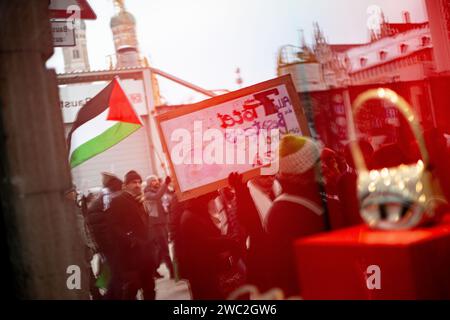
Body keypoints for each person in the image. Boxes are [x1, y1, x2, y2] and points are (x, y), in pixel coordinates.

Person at [265, 135, 327, 297]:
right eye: (317, 162)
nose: (323, 166)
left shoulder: (319, 196)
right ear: (304, 171)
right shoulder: (282, 213)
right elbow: (288, 271)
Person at [177, 192, 242, 300]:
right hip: (203, 273)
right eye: (209, 198)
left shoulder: (195, 213)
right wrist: (229, 241)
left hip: (205, 270)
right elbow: (204, 243)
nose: (212, 201)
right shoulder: (191, 217)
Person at [107, 170, 157, 300]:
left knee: (149, 288)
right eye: (134, 182)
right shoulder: (118, 201)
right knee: (132, 289)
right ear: (126, 184)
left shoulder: (140, 200)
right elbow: (113, 227)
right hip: (131, 256)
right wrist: (131, 241)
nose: (138, 185)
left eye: (139, 182)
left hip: (146, 253)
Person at [144, 175, 174, 279]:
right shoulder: (147, 194)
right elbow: (157, 196)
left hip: (163, 222)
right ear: (148, 183)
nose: (156, 182)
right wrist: (165, 184)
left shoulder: (160, 191)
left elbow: (167, 199)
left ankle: (153, 269)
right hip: (156, 225)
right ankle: (172, 270)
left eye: (156, 180)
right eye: (153, 181)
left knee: (161, 249)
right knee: (164, 248)